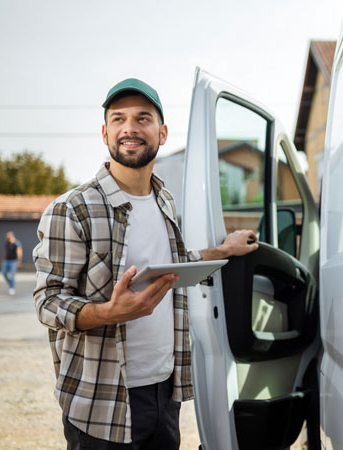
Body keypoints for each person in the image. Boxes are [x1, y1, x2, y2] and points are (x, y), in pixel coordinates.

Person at [32, 78, 258, 449]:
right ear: (105, 133)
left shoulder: (164, 200)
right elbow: (48, 302)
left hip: (164, 390)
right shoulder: (72, 209)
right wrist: (108, 312)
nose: (130, 129)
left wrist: (222, 251)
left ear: (162, 132)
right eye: (118, 119)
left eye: (143, 118)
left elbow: (172, 266)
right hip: (102, 401)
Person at [1, 231, 22, 295]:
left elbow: (19, 252)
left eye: (8, 237)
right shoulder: (6, 243)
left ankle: (12, 288)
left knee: (12, 276)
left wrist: (19, 261)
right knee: (4, 273)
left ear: (12, 236)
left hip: (13, 261)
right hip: (6, 261)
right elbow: (5, 251)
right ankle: (10, 283)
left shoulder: (17, 243)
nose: (7, 238)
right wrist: (3, 259)